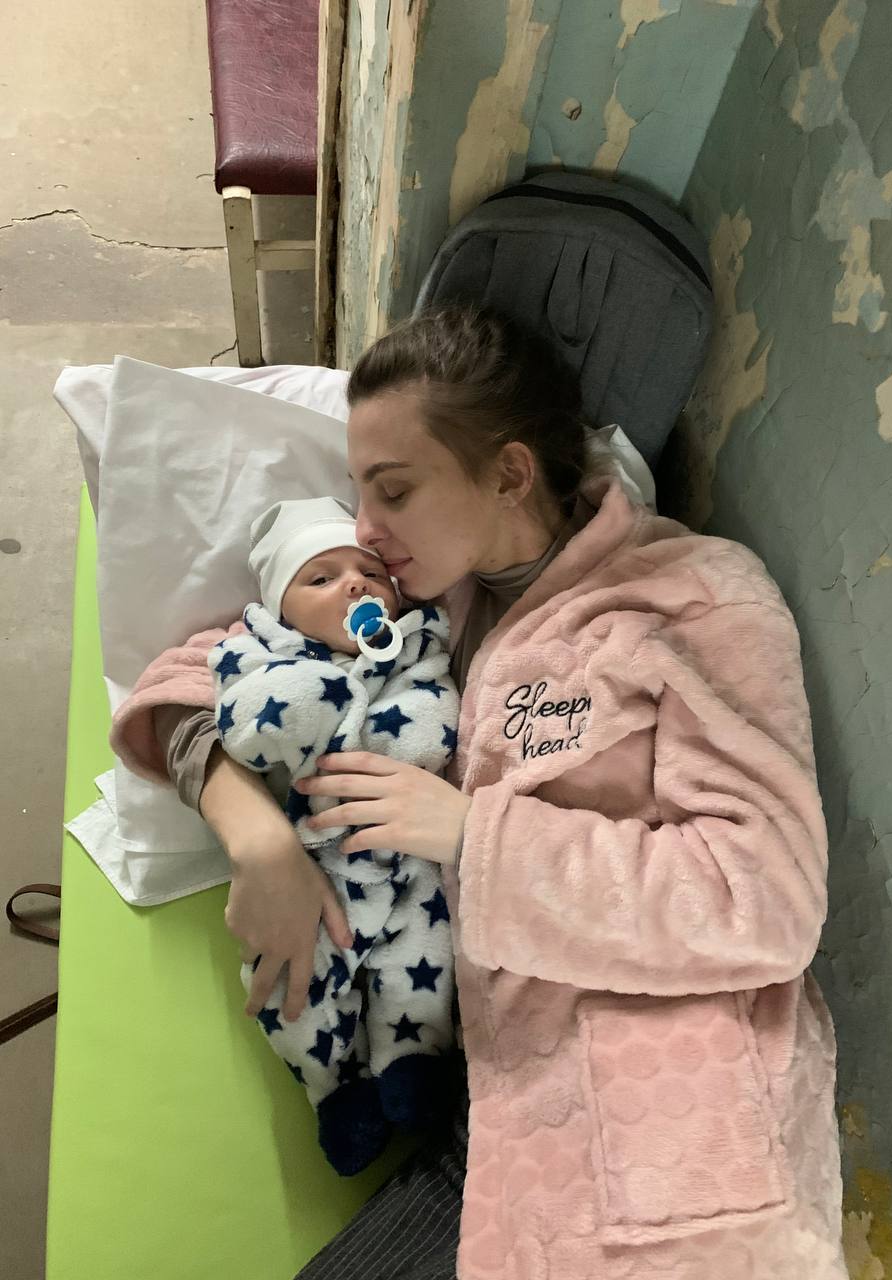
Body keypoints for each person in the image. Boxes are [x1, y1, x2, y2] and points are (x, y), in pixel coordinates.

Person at [111, 306, 846, 1280]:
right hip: (495, 1124)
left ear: (509, 473)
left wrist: (475, 836)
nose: (363, 529)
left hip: (672, 1141)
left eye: (393, 491)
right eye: (358, 494)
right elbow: (190, 679)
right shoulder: (419, 612)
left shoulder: (692, 599)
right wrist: (259, 840)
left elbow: (768, 899)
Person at [203, 496, 459, 1175]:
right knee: (291, 979)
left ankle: (412, 1061)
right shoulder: (257, 656)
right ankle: (334, 1089)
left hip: (408, 861)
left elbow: (435, 724)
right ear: (280, 610)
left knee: (424, 958)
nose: (355, 586)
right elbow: (249, 728)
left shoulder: (419, 646)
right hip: (314, 865)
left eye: (370, 573)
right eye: (321, 578)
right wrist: (322, 695)